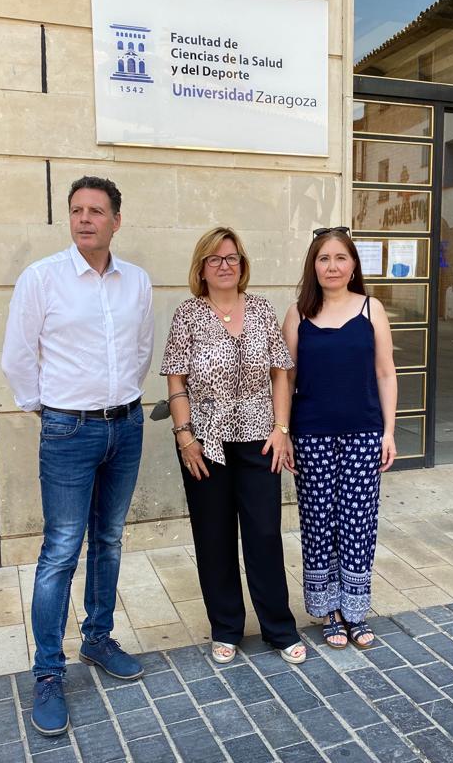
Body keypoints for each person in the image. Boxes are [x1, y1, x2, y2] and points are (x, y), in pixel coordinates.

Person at [1, 176, 154, 736]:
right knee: (62, 549)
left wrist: (117, 404)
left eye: (97, 211)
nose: (85, 218)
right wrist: (51, 410)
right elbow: (19, 356)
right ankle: (47, 672)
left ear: (117, 220)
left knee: (109, 538)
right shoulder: (42, 279)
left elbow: (141, 349)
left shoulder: (135, 281)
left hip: (126, 425)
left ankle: (97, 638)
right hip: (68, 430)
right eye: (76, 211)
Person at [161, 226, 306, 666]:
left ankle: (278, 628)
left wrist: (282, 428)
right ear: (201, 268)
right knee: (214, 536)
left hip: (260, 439)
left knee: (264, 534)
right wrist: (184, 435)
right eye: (215, 259)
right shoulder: (188, 314)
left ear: (242, 265)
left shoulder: (261, 309)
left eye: (232, 258)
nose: (225, 266)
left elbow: (281, 371)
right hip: (205, 442)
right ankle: (225, 627)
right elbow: (176, 378)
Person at [282, 227, 397, 649]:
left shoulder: (372, 309)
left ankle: (354, 609)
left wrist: (388, 431)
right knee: (318, 523)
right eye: (323, 258)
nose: (332, 266)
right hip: (311, 435)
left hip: (364, 433)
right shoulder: (297, 314)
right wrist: (285, 434)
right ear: (313, 266)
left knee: (358, 523)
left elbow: (385, 372)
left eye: (340, 258)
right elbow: (286, 378)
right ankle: (328, 609)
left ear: (353, 265)